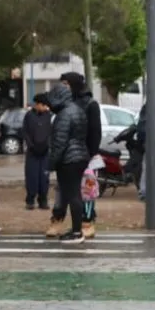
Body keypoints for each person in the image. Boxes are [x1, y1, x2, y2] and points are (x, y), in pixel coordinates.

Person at [46, 82, 90, 243]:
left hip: (68, 159)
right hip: (80, 156)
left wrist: (51, 163)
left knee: (72, 195)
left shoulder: (63, 115)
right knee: (75, 194)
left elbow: (59, 142)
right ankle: (77, 228)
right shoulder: (78, 110)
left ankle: (77, 231)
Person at [59, 72, 101, 237]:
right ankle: (73, 222)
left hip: (86, 156)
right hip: (69, 156)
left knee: (87, 191)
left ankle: (87, 221)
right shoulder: (67, 103)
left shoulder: (90, 104)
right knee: (71, 192)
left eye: (66, 84)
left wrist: (92, 153)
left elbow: (95, 132)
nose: (64, 88)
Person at [22, 94, 52, 210]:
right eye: (42, 105)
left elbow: (51, 132)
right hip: (32, 151)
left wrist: (47, 145)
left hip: (45, 152)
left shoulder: (49, 116)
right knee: (32, 176)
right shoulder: (29, 116)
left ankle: (43, 199)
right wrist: (31, 145)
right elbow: (25, 132)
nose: (44, 107)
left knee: (44, 177)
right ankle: (30, 199)